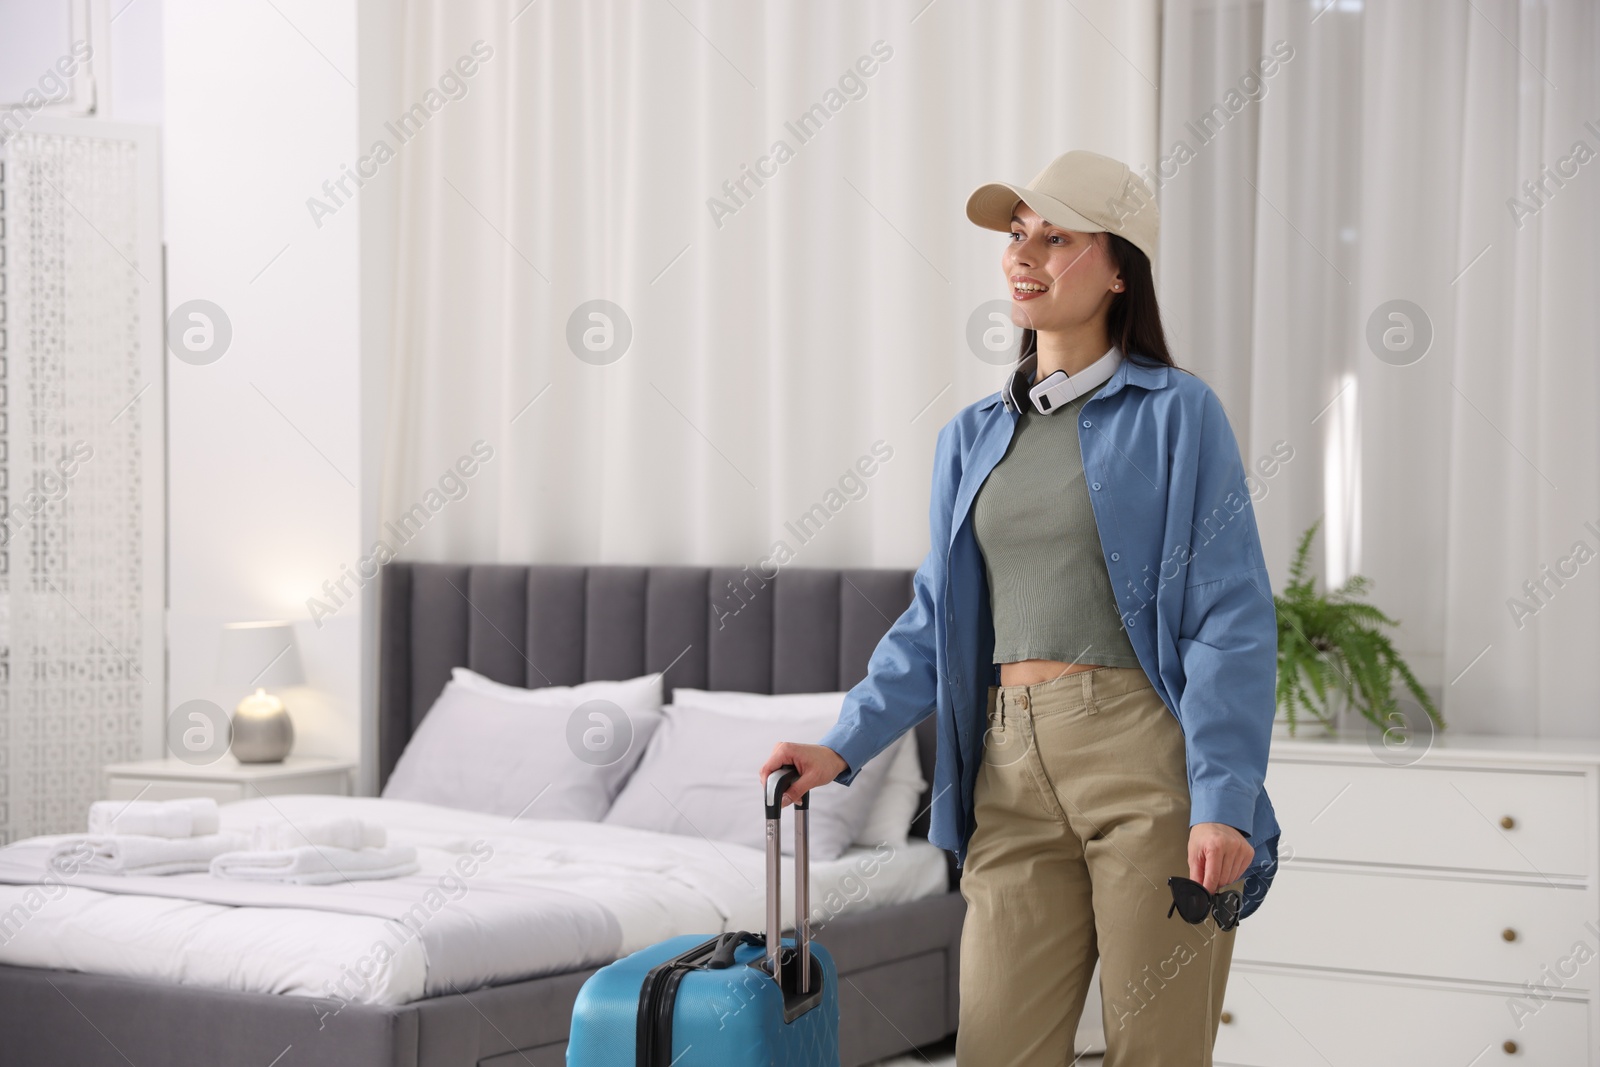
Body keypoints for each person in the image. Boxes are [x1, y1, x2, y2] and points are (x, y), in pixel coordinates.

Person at [759, 149, 1282, 1065]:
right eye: (1016, 235)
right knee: (996, 1047)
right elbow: (936, 618)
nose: (1023, 254)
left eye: (1057, 236)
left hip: (1142, 761)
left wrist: (1223, 801)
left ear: (1120, 269)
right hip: (1006, 768)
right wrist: (842, 743)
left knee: (1156, 1049)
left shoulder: (1178, 415)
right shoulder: (973, 435)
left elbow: (1230, 618)